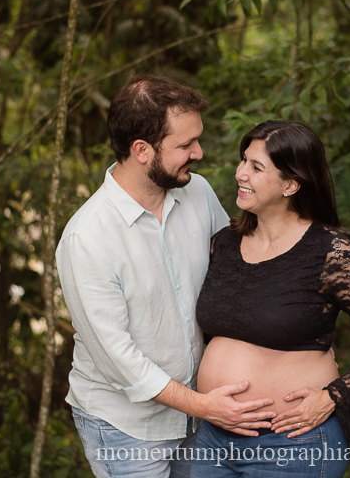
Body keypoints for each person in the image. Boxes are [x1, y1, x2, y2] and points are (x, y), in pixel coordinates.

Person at [56, 74, 277, 478]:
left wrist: (300, 341)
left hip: (200, 417)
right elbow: (118, 359)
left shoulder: (198, 192)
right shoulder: (86, 238)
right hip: (125, 427)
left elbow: (239, 275)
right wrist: (203, 405)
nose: (199, 152)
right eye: (185, 145)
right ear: (142, 150)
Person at [192, 120, 350, 477]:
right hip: (213, 441)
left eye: (256, 167)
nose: (240, 173)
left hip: (292, 445)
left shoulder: (331, 252)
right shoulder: (224, 243)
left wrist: (333, 396)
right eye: (243, 160)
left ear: (291, 184)